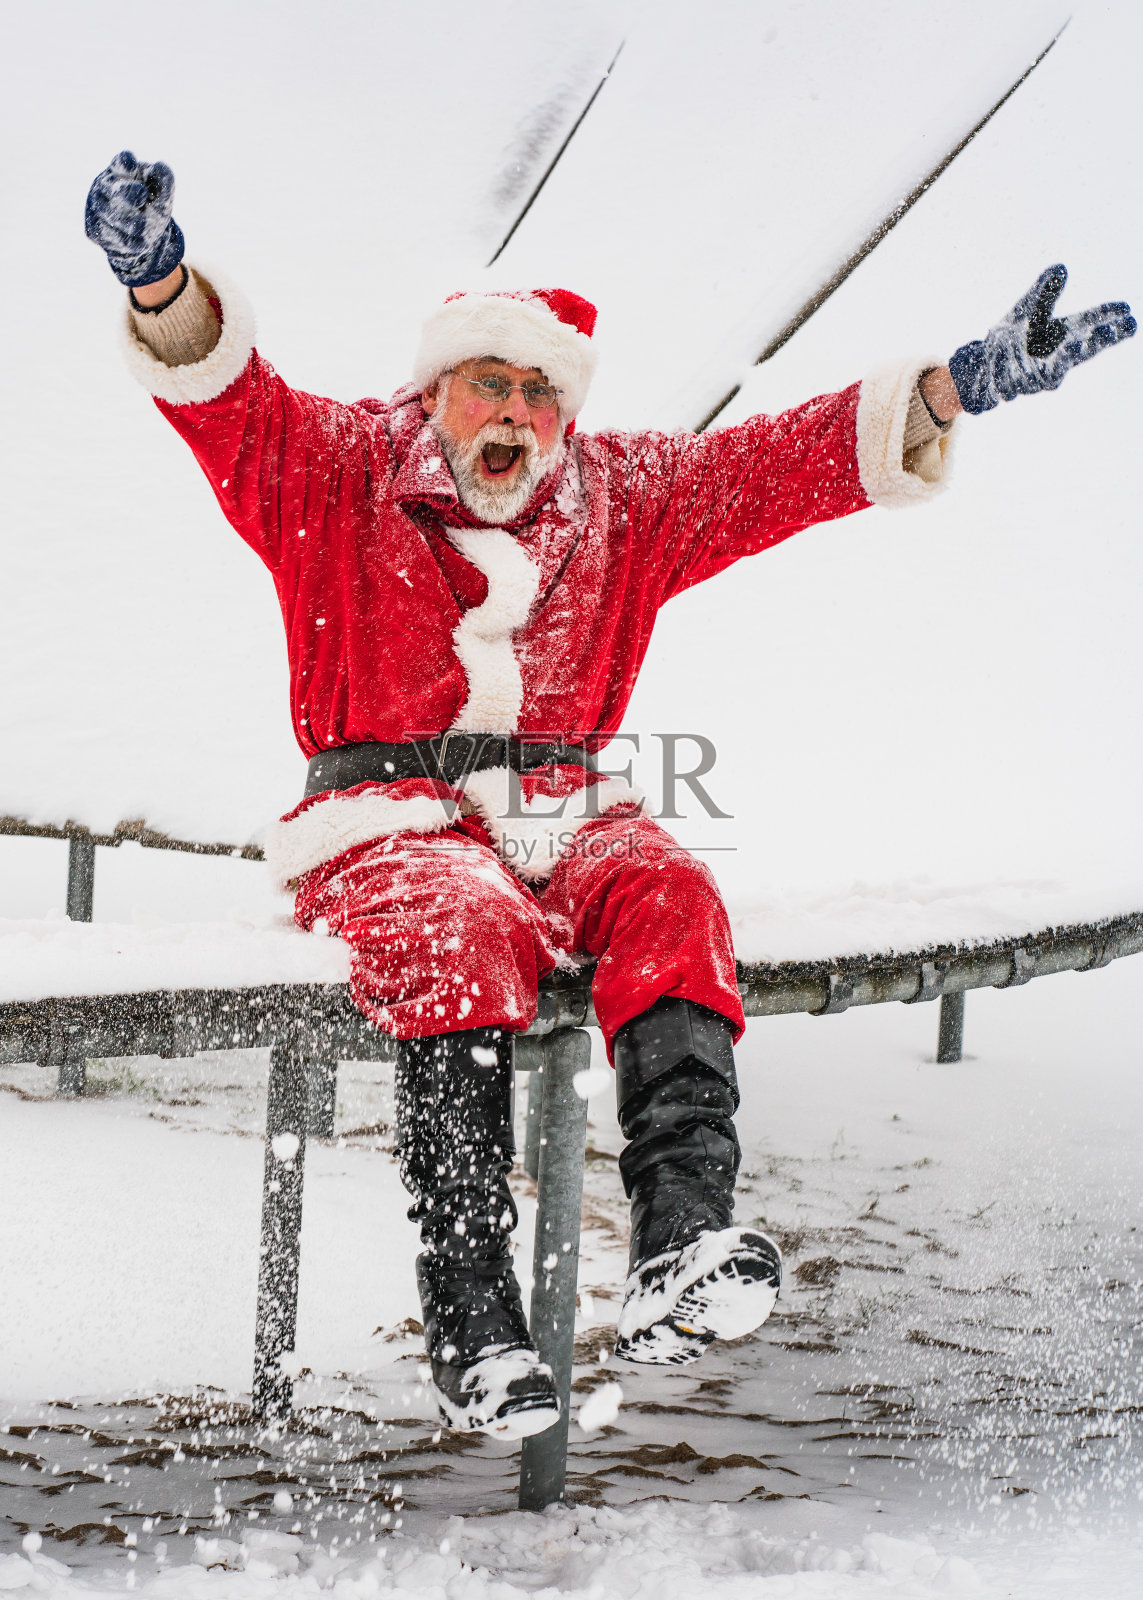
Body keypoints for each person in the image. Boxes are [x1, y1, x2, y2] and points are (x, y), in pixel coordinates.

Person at [85, 150, 1134, 1439]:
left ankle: (680, 1243)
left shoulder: (620, 499)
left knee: (670, 887)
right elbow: (226, 399)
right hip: (390, 824)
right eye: (489, 384)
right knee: (457, 920)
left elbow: (780, 465)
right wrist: (159, 280)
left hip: (556, 807)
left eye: (538, 391)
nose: (514, 415)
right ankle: (472, 1311)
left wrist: (954, 387)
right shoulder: (338, 467)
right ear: (440, 392)